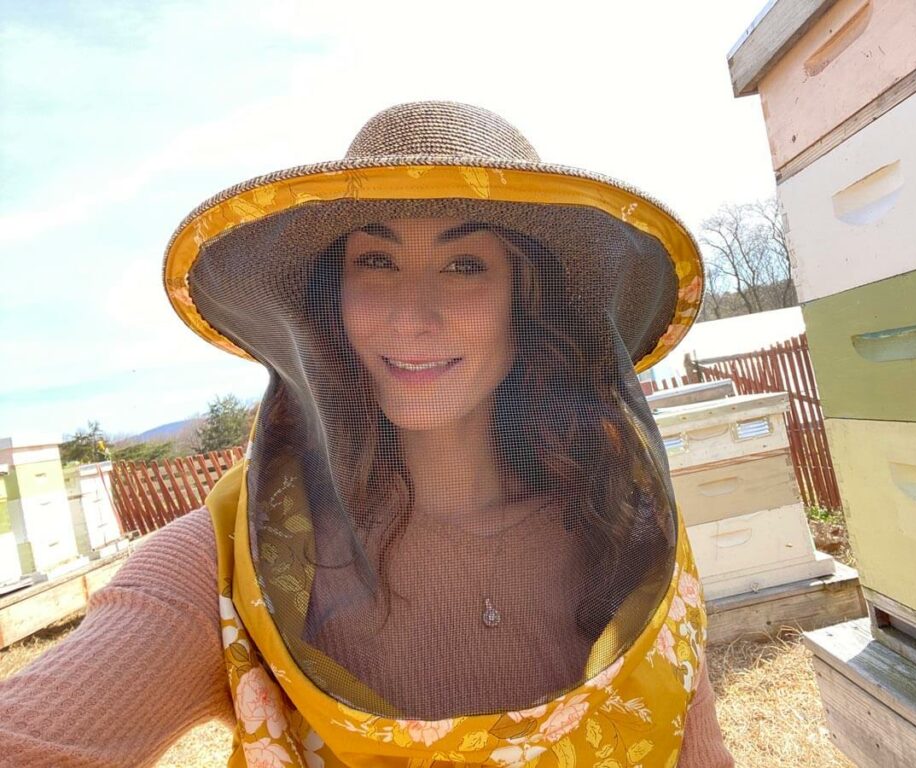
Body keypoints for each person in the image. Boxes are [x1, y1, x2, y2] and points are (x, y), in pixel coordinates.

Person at [0, 101, 734, 767]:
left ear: (527, 298)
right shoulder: (226, 559)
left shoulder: (631, 531)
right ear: (329, 301)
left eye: (464, 264)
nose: (411, 315)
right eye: (376, 261)